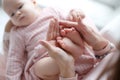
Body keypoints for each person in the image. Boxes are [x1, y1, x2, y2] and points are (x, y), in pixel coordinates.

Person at [2, 0, 88, 80]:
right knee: (39, 68)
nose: (17, 13)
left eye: (20, 7)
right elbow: (14, 58)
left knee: (68, 38)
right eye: (12, 14)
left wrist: (74, 13)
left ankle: (72, 55)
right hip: (44, 59)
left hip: (65, 46)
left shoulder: (51, 11)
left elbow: (70, 20)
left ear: (33, 2)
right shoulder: (17, 33)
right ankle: (68, 57)